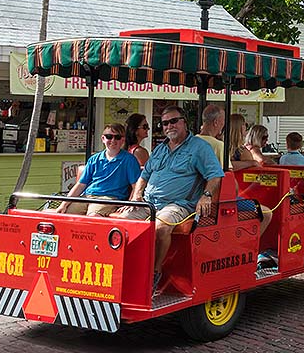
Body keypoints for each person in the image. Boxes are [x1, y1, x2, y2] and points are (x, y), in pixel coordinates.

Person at [116, 106, 229, 289]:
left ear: (184, 122)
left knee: (161, 227)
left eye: (174, 121)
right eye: (165, 123)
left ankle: (154, 273)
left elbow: (215, 175)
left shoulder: (200, 148)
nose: (169, 126)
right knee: (121, 224)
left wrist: (206, 195)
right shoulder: (160, 149)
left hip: (178, 205)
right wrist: (136, 197)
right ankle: (121, 273)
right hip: (150, 203)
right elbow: (144, 176)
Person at [54, 123, 141, 215]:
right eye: (109, 137)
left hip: (110, 198)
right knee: (64, 213)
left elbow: (136, 186)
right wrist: (64, 204)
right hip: (87, 196)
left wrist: (131, 202)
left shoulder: (129, 160)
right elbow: (80, 185)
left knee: (93, 216)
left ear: (122, 140)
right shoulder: (94, 159)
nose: (113, 140)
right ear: (103, 139)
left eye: (117, 137)